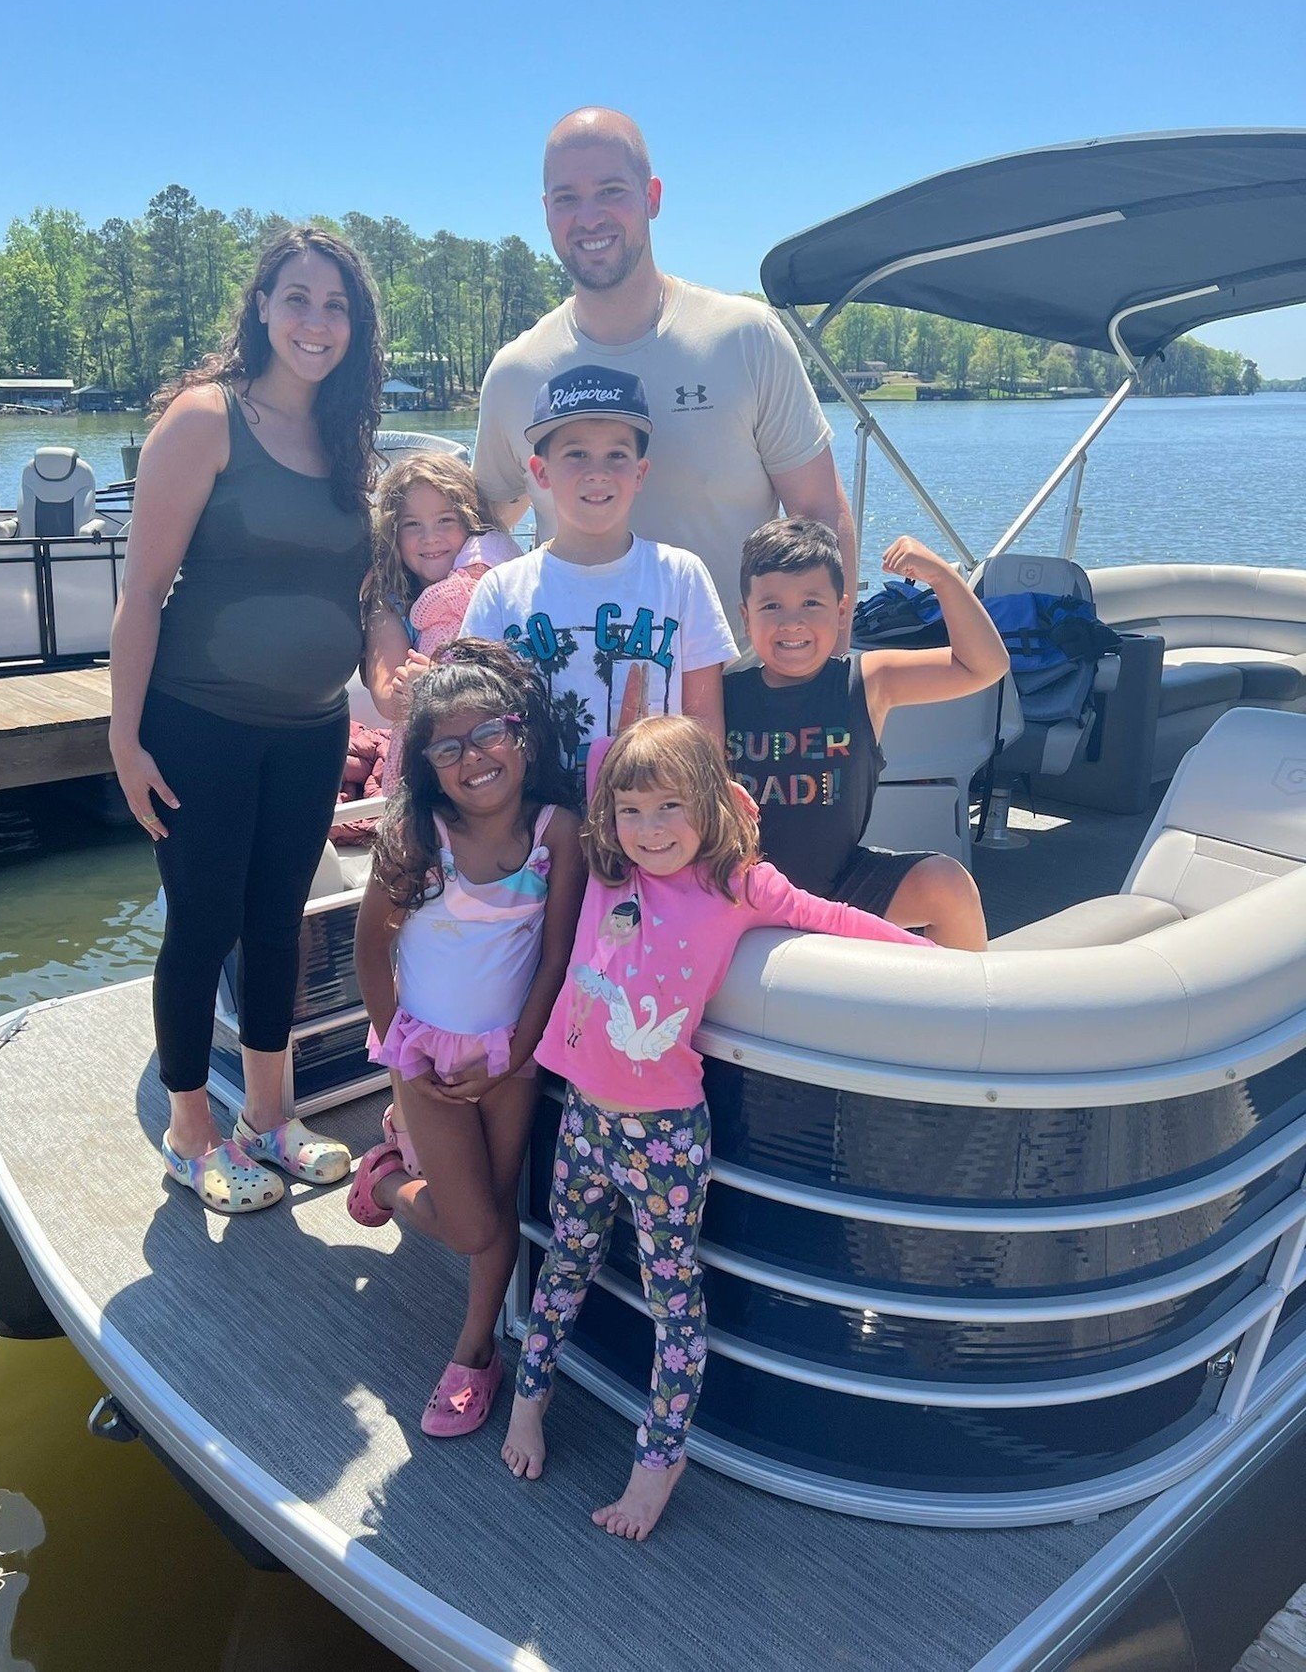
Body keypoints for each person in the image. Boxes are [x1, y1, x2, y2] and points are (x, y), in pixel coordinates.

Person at [501, 716, 928, 1538]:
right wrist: (634, 753)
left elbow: (832, 919)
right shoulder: (603, 867)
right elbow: (603, 761)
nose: (651, 828)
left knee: (674, 1301)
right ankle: (530, 1397)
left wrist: (930, 958)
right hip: (586, 1118)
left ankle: (659, 1462)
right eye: (632, 810)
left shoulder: (738, 885)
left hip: (664, 1136)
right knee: (564, 1259)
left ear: (709, 804)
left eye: (671, 807)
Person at [109, 226, 383, 1213]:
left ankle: (271, 1119)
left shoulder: (347, 436)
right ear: (262, 306)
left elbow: (368, 591)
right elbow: (142, 590)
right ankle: (192, 1133)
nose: (316, 322)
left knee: (280, 926)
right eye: (298, 298)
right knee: (203, 923)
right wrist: (123, 736)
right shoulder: (204, 419)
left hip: (310, 727)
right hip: (199, 722)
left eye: (336, 305)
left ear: (356, 327)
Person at [471, 106, 856, 645]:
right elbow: (487, 521)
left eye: (611, 190)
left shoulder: (746, 337)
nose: (589, 217)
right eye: (566, 198)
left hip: (736, 689)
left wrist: (828, 677)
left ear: (652, 197)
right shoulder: (515, 373)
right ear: (546, 211)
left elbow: (818, 513)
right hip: (572, 703)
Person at [349, 640, 585, 1436]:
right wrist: (400, 1051)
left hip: (513, 1061)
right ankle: (383, 1181)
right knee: (473, 1226)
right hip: (428, 1057)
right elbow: (370, 947)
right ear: (426, 763)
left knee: (500, 1212)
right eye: (447, 746)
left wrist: (518, 1055)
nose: (473, 757)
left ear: (523, 737)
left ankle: (474, 1354)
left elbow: (556, 954)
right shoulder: (423, 836)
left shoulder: (559, 832)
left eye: (491, 734)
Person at [726, 518, 1009, 949]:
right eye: (771, 607)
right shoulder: (723, 694)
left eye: (811, 603)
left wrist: (942, 576)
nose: (792, 622)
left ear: (842, 613)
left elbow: (985, 665)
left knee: (949, 885)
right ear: (746, 617)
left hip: (840, 884)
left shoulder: (867, 681)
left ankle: (969, 1012)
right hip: (744, 892)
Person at [461, 364, 738, 779]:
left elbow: (705, 731)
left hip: (650, 825)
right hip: (540, 826)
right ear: (541, 472)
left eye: (617, 455)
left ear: (640, 473)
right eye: (576, 454)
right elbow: (476, 722)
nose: (598, 472)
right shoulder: (500, 590)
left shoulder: (681, 576)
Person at [361, 451, 520, 789]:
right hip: (428, 765)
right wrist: (423, 689)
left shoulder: (492, 585)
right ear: (393, 534)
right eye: (412, 525)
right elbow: (390, 697)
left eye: (446, 520)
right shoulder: (390, 603)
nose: (429, 537)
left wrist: (440, 682)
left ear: (471, 523)